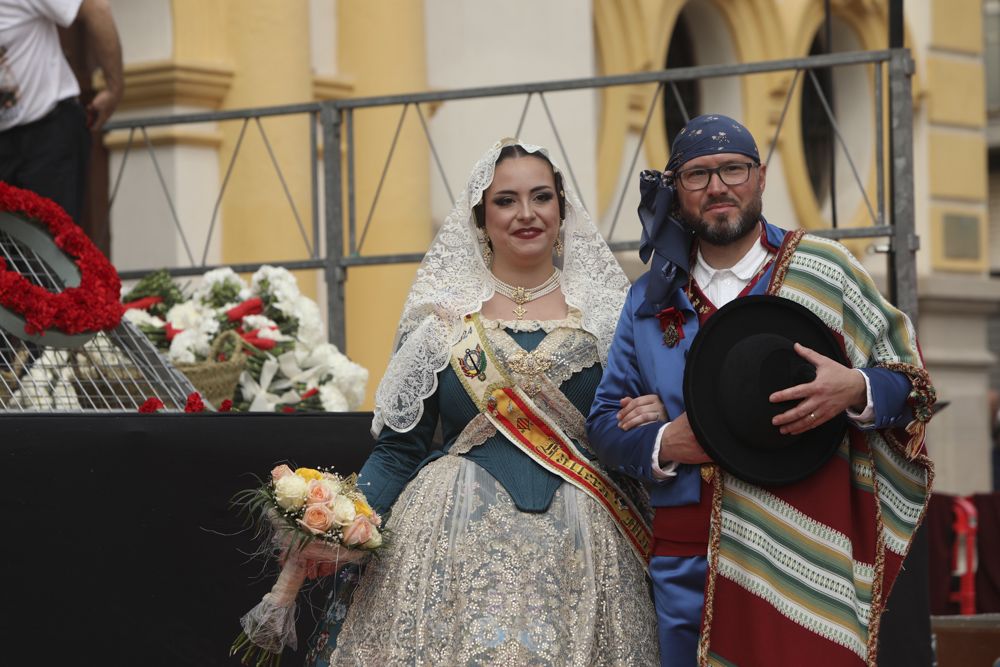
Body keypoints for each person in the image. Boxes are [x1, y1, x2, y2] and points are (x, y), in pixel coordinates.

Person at [586, 114, 935, 666]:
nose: (718, 186)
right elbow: (604, 421)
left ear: (761, 176)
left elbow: (914, 388)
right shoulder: (650, 300)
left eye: (733, 169)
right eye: (698, 175)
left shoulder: (829, 271)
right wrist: (661, 444)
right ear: (677, 190)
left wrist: (855, 388)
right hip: (687, 559)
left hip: (807, 548)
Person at [304, 139, 660, 665]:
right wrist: (342, 522)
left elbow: (634, 428)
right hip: (448, 548)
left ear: (562, 210)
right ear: (480, 216)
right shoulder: (441, 321)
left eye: (541, 197)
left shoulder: (611, 315)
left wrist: (654, 415)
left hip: (585, 551)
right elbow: (400, 451)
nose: (526, 214)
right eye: (505, 200)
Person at [0, 0, 123, 223]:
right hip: (5, 139)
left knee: (51, 246)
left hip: (48, 132)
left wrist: (114, 88)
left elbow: (96, 9)